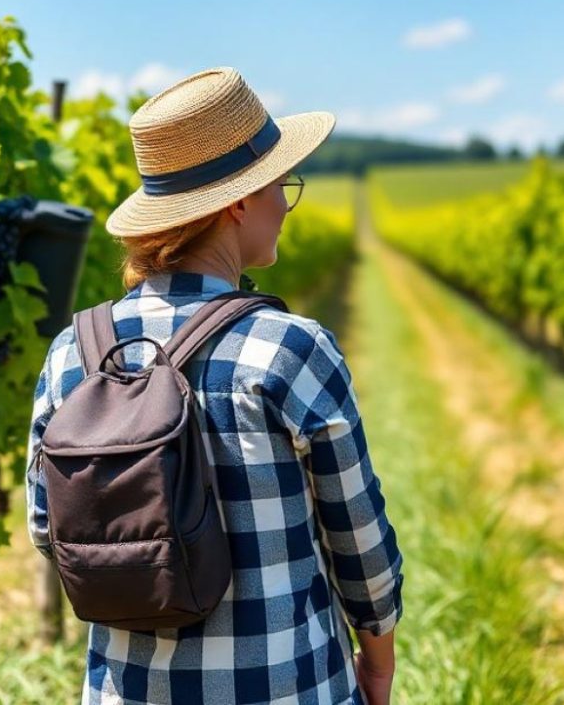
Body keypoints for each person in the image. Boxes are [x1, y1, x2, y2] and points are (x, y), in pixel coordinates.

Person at [25, 67, 403, 705]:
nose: (285, 203)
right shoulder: (291, 348)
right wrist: (379, 659)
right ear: (238, 201)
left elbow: (48, 529)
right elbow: (356, 536)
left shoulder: (74, 354)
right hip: (287, 685)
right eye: (281, 185)